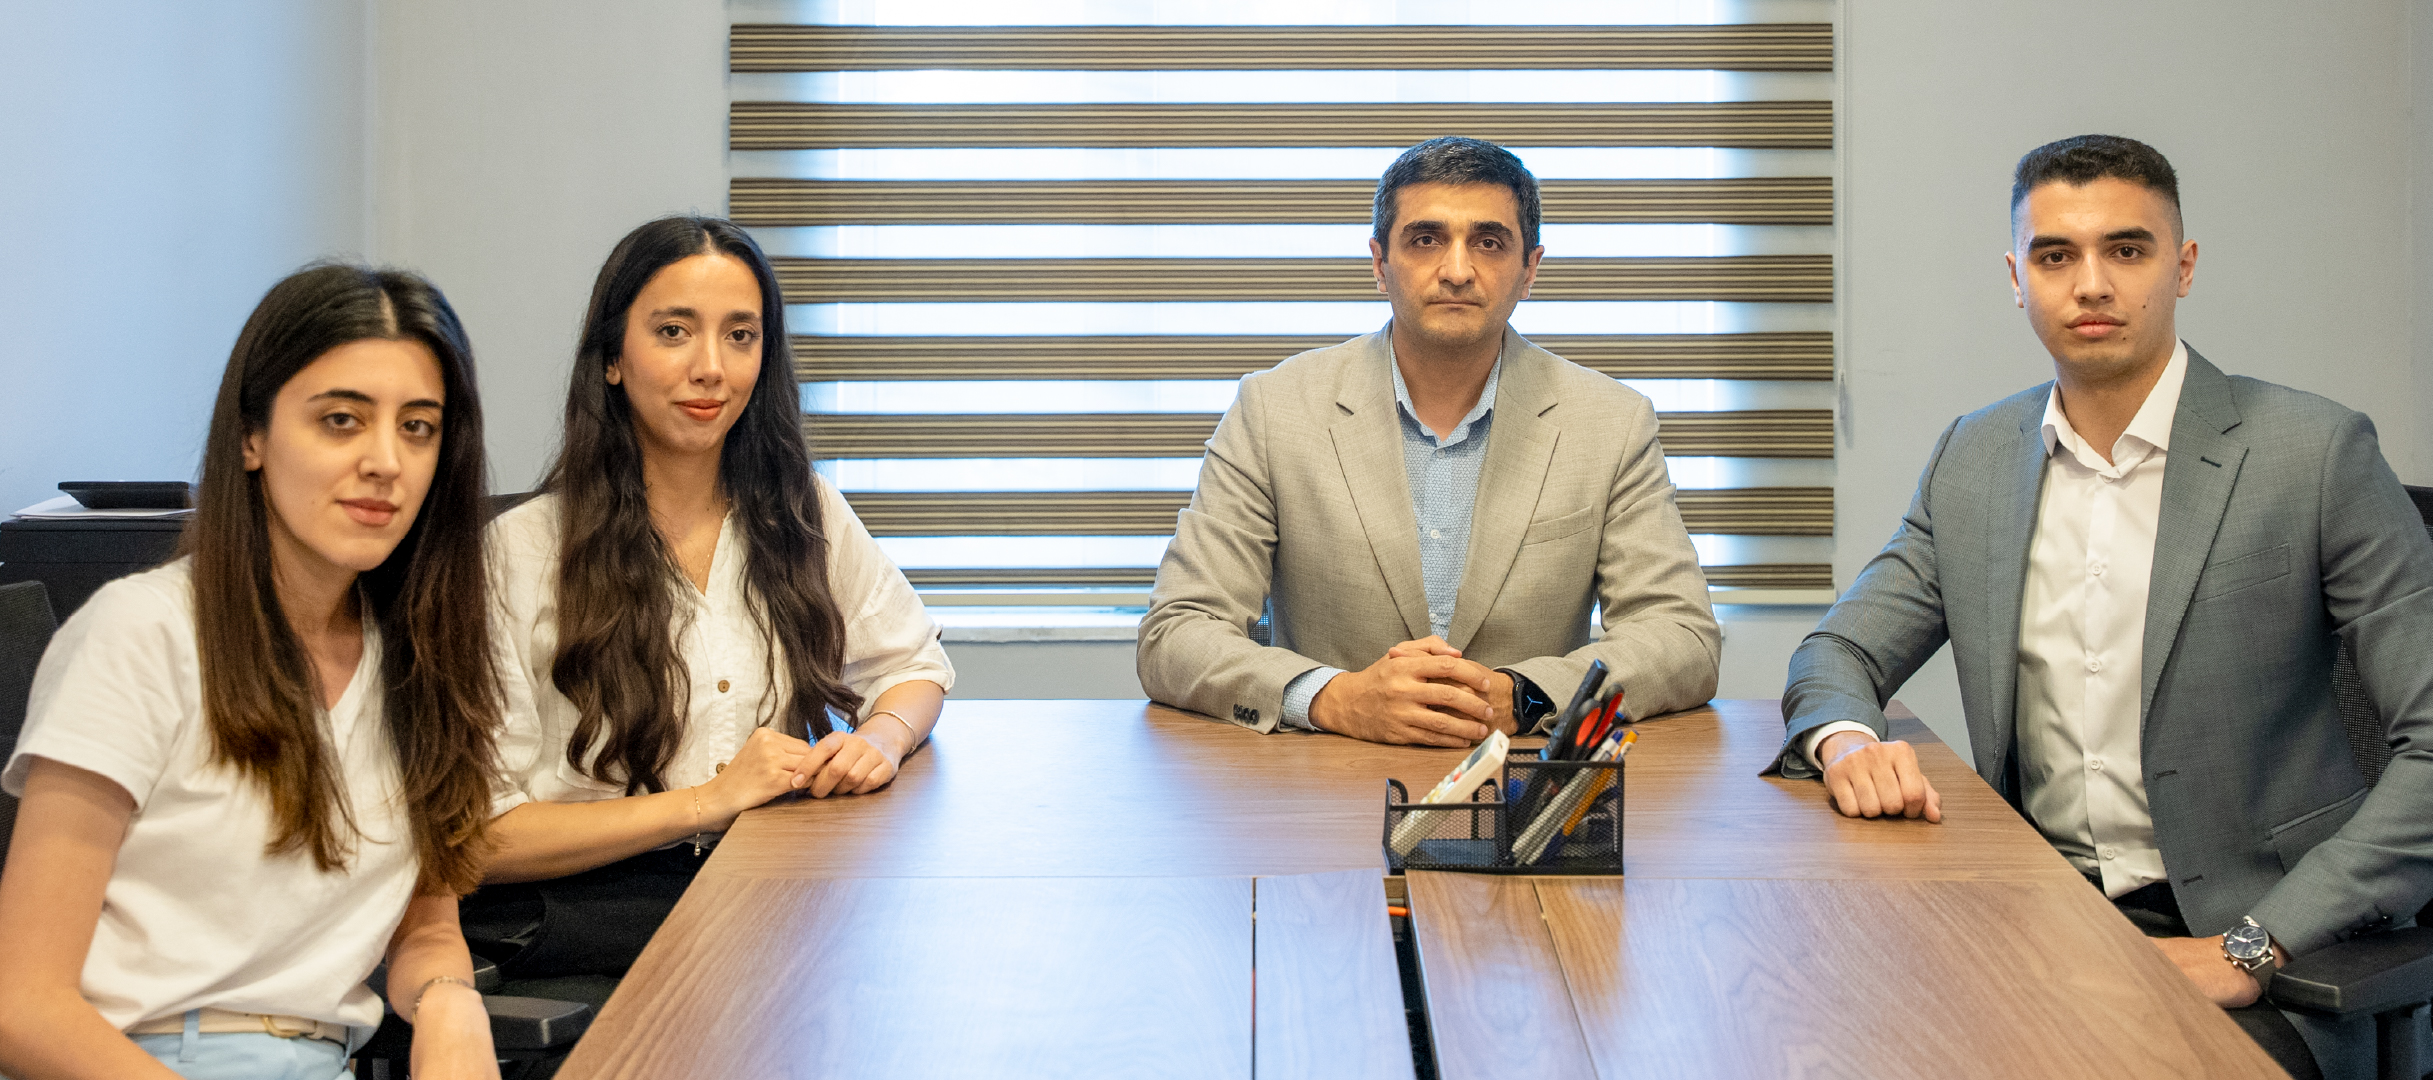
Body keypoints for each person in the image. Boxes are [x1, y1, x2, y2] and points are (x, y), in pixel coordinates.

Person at [1771, 134, 2433, 1078]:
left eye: (2126, 249)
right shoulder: (1973, 458)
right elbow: (1838, 651)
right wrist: (1845, 741)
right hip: (2030, 924)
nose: (2090, 285)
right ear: (2016, 279)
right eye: (2055, 255)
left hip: (2268, 955)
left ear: (2182, 267)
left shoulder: (2314, 455)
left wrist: (2253, 947)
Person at [0, 265, 504, 1079]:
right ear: (251, 437)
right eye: (341, 420)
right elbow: (22, 1004)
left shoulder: (421, 658)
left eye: (418, 427)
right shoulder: (142, 634)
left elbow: (428, 928)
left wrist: (450, 1002)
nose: (386, 460)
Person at [467, 217, 951, 1006]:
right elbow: (480, 838)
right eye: (673, 332)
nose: (711, 369)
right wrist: (706, 801)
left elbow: (913, 664)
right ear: (612, 358)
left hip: (768, 894)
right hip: (585, 931)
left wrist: (881, 741)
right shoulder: (514, 555)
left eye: (740, 336)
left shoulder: (803, 514)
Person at [1138, 136, 1721, 746]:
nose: (1457, 271)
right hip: (1324, 778)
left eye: (1489, 242)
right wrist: (1335, 698)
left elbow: (1681, 636)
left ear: (1530, 269)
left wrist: (1524, 696)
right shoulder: (1274, 409)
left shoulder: (1612, 422)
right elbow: (1177, 631)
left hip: (1521, 784)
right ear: (1379, 262)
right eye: (1426, 239)